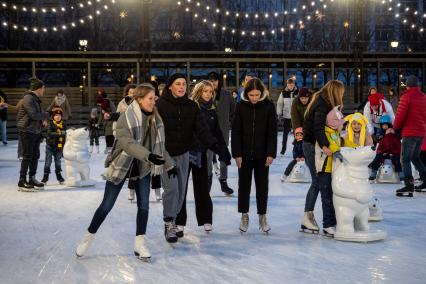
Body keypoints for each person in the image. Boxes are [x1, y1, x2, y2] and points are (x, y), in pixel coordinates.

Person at [75, 84, 175, 261]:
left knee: (144, 205)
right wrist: (149, 156)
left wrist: (169, 164)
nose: (154, 101)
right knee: (106, 205)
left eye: (155, 98)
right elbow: (128, 144)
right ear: (139, 99)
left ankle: (139, 244)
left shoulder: (156, 118)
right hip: (122, 164)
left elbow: (160, 145)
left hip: (142, 166)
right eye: (150, 98)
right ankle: (87, 238)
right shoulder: (124, 118)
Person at [156, 73, 230, 242]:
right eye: (178, 84)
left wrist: (218, 147)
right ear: (170, 86)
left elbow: (202, 131)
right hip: (165, 155)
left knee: (181, 192)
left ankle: (175, 220)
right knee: (171, 189)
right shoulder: (160, 105)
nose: (182, 87)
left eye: (184, 84)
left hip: (183, 154)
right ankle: (170, 223)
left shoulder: (191, 107)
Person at [176, 80, 231, 233]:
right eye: (205, 91)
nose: (208, 94)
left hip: (201, 153)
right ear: (199, 92)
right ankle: (179, 221)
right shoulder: (192, 108)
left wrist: (223, 150)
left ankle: (206, 219)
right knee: (182, 188)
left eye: (210, 92)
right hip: (186, 153)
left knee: (202, 188)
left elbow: (217, 133)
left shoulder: (212, 110)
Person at [231, 78, 277, 233]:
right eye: (251, 95)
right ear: (246, 93)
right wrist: (236, 153)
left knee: (262, 186)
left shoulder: (269, 106)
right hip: (244, 155)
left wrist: (271, 153)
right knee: (244, 186)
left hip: (262, 155)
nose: (255, 98)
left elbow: (272, 132)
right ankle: (244, 215)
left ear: (262, 93)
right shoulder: (240, 106)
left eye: (257, 95)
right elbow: (236, 131)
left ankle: (262, 216)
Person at [301, 80, 345, 234]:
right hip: (313, 146)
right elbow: (318, 127)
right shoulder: (322, 103)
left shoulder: (323, 101)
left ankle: (311, 218)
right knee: (318, 183)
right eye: (341, 93)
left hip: (314, 145)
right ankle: (308, 218)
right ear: (335, 91)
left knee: (319, 183)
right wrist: (326, 145)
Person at [314, 106, 345, 237]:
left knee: (334, 196)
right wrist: (337, 151)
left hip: (334, 169)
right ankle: (327, 224)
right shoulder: (326, 132)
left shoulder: (336, 133)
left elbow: (340, 143)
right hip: (324, 169)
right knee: (326, 197)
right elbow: (331, 145)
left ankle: (334, 222)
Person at [393, 75, 426, 196]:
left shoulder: (406, 97)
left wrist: (395, 127)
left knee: (405, 159)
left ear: (407, 85)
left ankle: (408, 185)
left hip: (410, 133)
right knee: (415, 158)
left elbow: (400, 115)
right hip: (421, 133)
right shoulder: (424, 97)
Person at [16, 77, 50, 191]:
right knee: (27, 156)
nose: (44, 90)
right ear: (39, 88)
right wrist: (46, 115)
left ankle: (32, 178)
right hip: (27, 131)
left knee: (35, 156)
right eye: (44, 88)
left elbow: (37, 115)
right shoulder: (28, 98)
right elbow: (34, 115)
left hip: (35, 131)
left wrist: (43, 120)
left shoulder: (35, 99)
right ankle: (22, 181)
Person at [207, 71, 235, 195]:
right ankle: (207, 184)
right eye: (211, 80)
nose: (213, 83)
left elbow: (234, 113)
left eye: (215, 80)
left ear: (219, 81)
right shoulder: (204, 95)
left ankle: (223, 183)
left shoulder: (227, 95)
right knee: (207, 159)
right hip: (207, 133)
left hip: (222, 132)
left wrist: (232, 125)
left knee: (223, 159)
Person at [368, 114, 403, 181]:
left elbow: (398, 148)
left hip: (393, 154)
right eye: (383, 126)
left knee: (397, 162)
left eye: (390, 129)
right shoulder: (383, 138)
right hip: (384, 153)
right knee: (377, 159)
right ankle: (373, 174)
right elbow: (379, 148)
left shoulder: (395, 138)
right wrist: (382, 153)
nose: (388, 130)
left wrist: (393, 153)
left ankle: (401, 175)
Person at [41, 107, 66, 184]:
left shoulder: (63, 124)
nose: (58, 117)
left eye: (59, 115)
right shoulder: (50, 123)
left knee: (58, 162)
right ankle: (45, 177)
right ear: (53, 116)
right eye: (56, 115)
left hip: (59, 147)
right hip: (50, 146)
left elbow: (65, 135)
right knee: (48, 162)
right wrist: (59, 133)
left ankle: (59, 176)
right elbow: (49, 133)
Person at [277, 78, 299, 155]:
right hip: (287, 116)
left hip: (296, 117)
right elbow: (280, 103)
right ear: (287, 85)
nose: (290, 86)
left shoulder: (298, 92)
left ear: (294, 84)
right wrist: (279, 113)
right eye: (289, 85)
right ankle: (283, 149)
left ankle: (297, 148)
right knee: (285, 133)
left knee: (297, 133)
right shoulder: (283, 92)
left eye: (292, 85)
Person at [96, 89, 116, 154]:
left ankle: (111, 148)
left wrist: (107, 112)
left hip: (111, 122)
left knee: (110, 135)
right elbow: (101, 115)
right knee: (107, 136)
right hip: (106, 123)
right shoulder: (102, 104)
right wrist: (98, 123)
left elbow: (114, 112)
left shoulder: (109, 102)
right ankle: (108, 147)